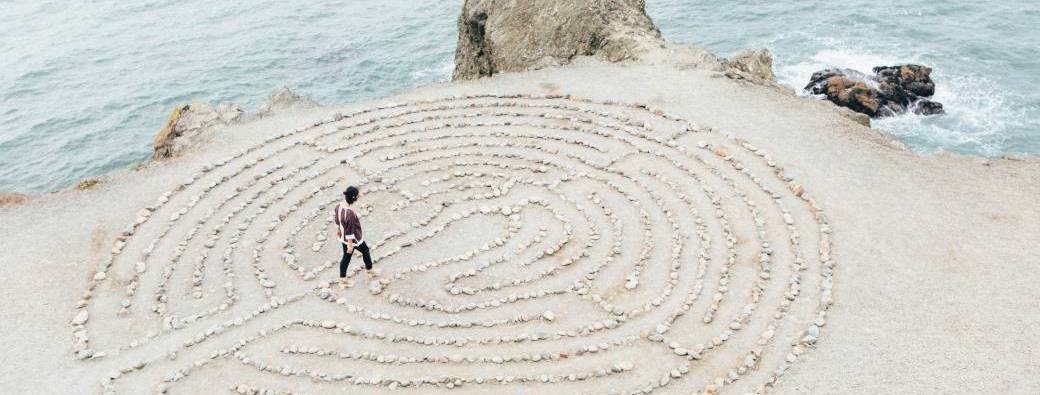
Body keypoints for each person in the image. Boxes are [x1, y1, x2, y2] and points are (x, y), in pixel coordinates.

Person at [333, 186, 375, 289]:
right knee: (365, 251)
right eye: (357, 196)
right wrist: (350, 245)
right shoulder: (350, 213)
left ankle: (342, 279)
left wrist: (338, 230)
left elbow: (337, 220)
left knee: (346, 257)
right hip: (354, 240)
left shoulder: (338, 206)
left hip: (343, 237)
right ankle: (370, 271)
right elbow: (350, 230)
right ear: (353, 198)